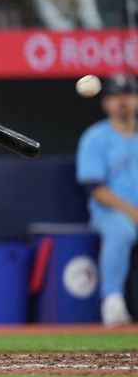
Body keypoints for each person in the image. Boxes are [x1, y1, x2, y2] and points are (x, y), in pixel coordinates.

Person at [77, 75, 138, 327]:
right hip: (109, 213)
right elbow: (95, 188)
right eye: (115, 96)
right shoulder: (95, 137)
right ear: (106, 103)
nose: (122, 101)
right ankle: (112, 302)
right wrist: (132, 211)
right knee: (121, 230)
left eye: (127, 95)